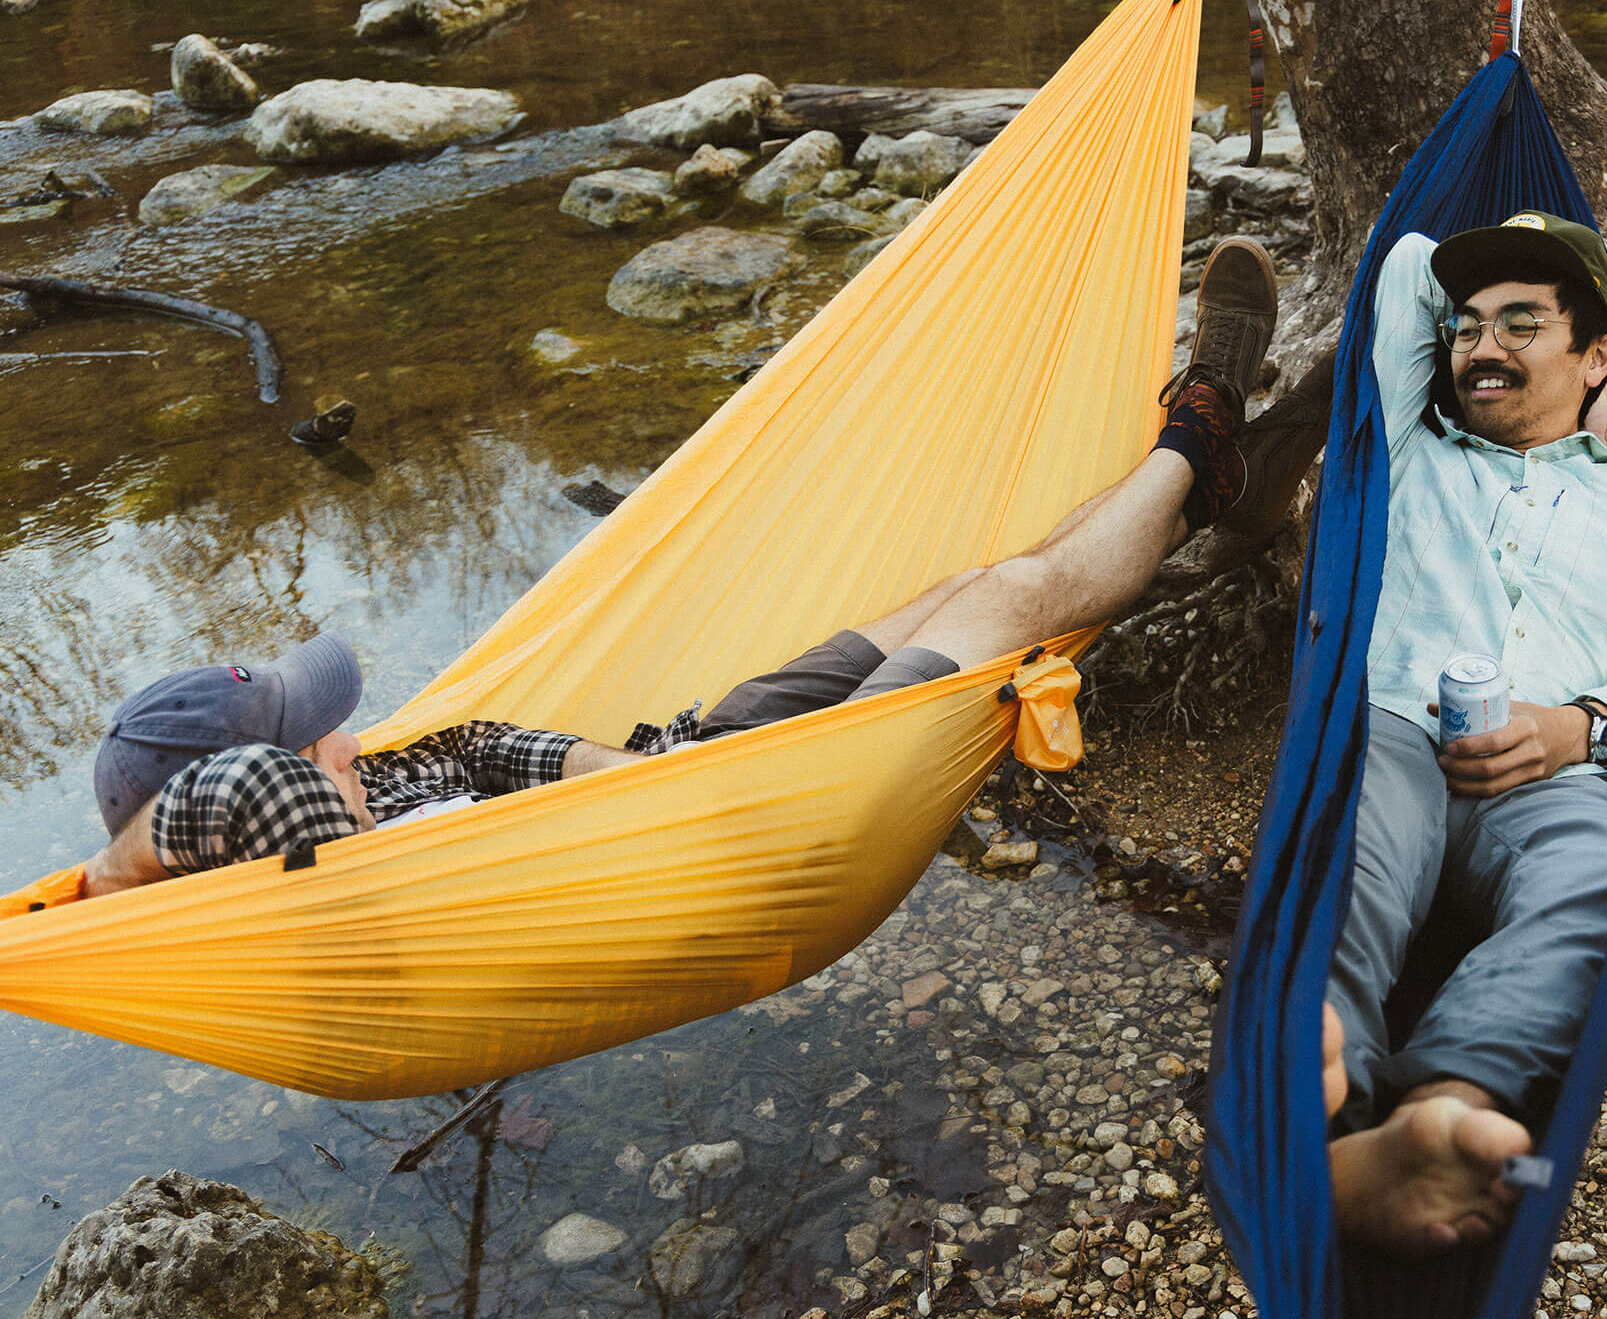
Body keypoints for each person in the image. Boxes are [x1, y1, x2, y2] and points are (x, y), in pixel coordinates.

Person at [78, 237, 1290, 901]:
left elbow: (477, 742)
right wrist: (124, 858)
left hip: (703, 767)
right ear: (215, 811)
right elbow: (246, 814)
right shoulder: (322, 889)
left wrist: (638, 778)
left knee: (973, 584)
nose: (345, 739)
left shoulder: (366, 794)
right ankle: (1201, 426)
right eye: (312, 740)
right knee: (1015, 609)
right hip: (770, 830)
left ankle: (1203, 473)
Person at [1320, 211, 1607, 1254]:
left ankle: (1442, 1109)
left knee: (1599, 876)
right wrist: (1600, 381)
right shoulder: (1406, 447)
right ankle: (1324, 1091)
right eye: (1466, 328)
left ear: (1595, 350)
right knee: (1352, 850)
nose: (1480, 348)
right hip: (1400, 729)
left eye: (1520, 324)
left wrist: (1578, 729)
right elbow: (1406, 264)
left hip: (1556, 770)